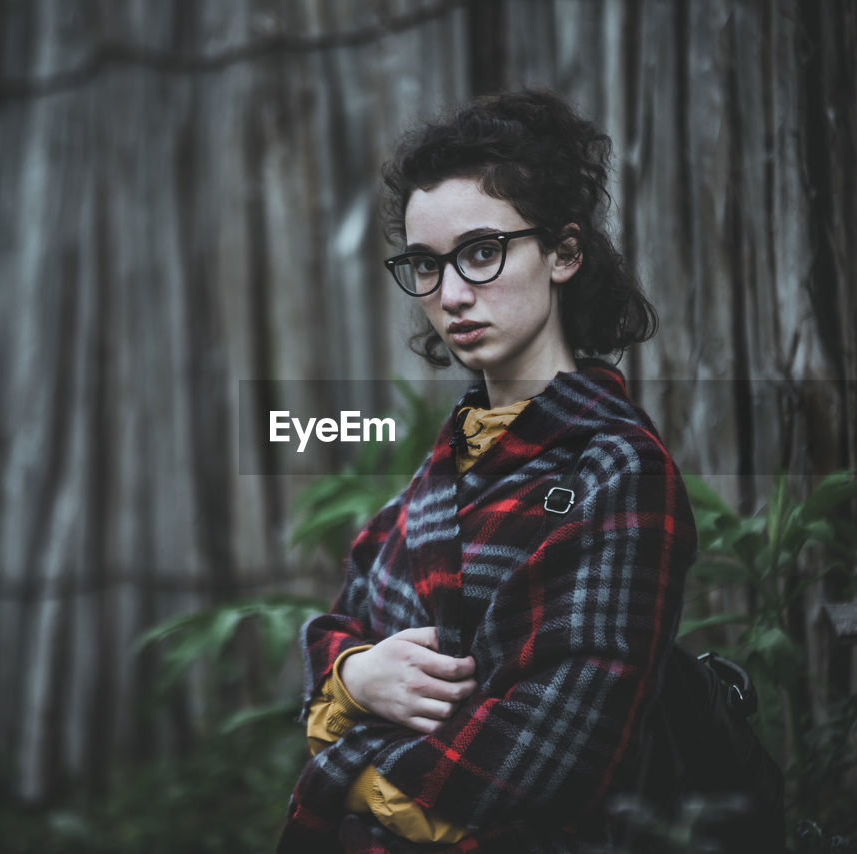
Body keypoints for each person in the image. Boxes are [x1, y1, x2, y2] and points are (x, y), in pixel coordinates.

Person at [278, 89, 697, 853]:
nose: (450, 295)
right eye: (426, 265)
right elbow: (333, 627)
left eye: (480, 252)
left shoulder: (618, 471)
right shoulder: (441, 470)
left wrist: (352, 769)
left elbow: (555, 749)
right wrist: (358, 677)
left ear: (565, 253)